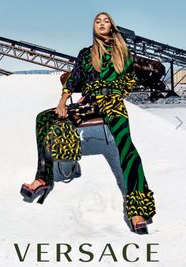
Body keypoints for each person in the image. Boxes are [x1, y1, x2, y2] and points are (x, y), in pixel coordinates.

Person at [21, 12, 155, 234]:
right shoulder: (85, 54)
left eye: (106, 21)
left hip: (112, 102)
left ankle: (137, 209)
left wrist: (118, 92)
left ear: (112, 26)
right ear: (94, 27)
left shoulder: (122, 52)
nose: (102, 24)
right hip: (89, 102)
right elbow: (73, 79)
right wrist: (63, 101)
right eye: (98, 21)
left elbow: (130, 78)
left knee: (127, 148)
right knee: (44, 118)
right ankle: (43, 179)